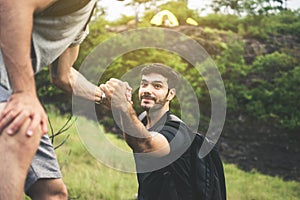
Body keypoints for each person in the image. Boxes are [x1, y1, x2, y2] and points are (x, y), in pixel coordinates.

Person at [0, 0, 105, 199]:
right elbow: (14, 3)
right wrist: (25, 92)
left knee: (52, 193)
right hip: (9, 89)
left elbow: (63, 76)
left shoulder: (84, 16)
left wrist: (104, 97)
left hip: (7, 88)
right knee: (21, 129)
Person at [101, 63, 195, 199]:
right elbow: (134, 139)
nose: (147, 90)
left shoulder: (176, 131)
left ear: (171, 94)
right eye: (144, 84)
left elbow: (145, 145)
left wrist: (124, 105)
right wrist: (119, 106)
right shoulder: (143, 120)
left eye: (157, 86)